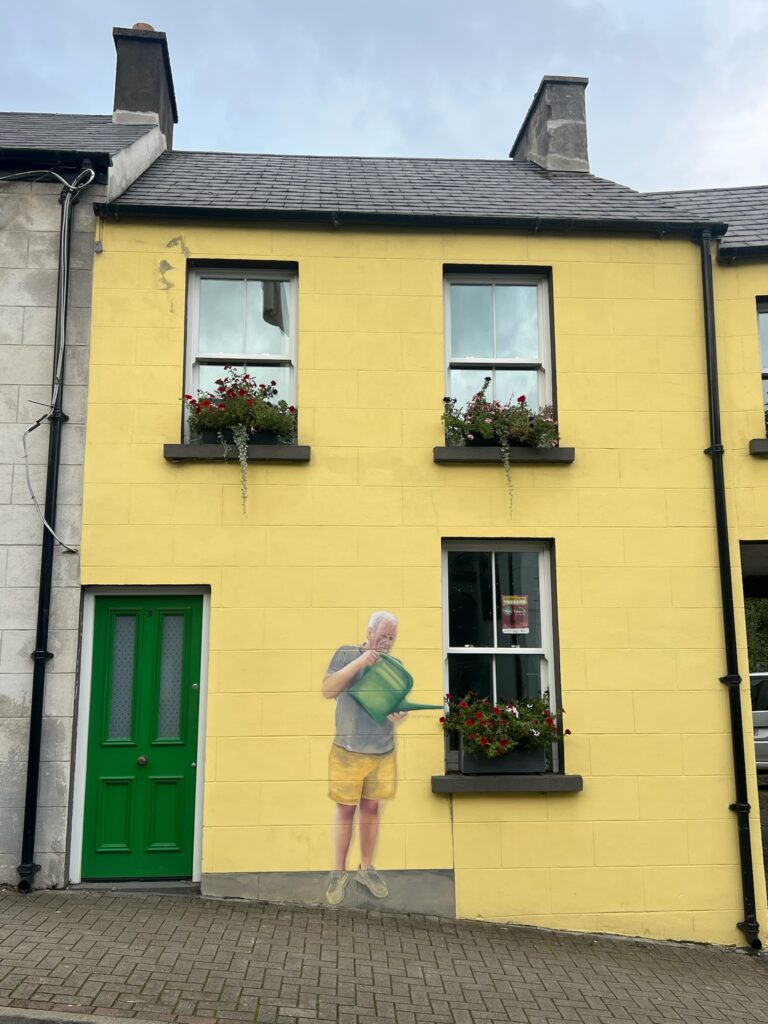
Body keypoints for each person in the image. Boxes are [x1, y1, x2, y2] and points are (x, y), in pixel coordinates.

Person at [321, 611, 407, 906]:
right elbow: (328, 690)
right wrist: (361, 660)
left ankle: (366, 869)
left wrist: (400, 711)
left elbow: (398, 704)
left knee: (371, 809)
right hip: (347, 748)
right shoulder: (346, 653)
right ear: (370, 631)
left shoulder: (396, 666)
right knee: (345, 810)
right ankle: (338, 872)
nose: (386, 642)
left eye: (391, 638)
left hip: (382, 749)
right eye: (382, 635)